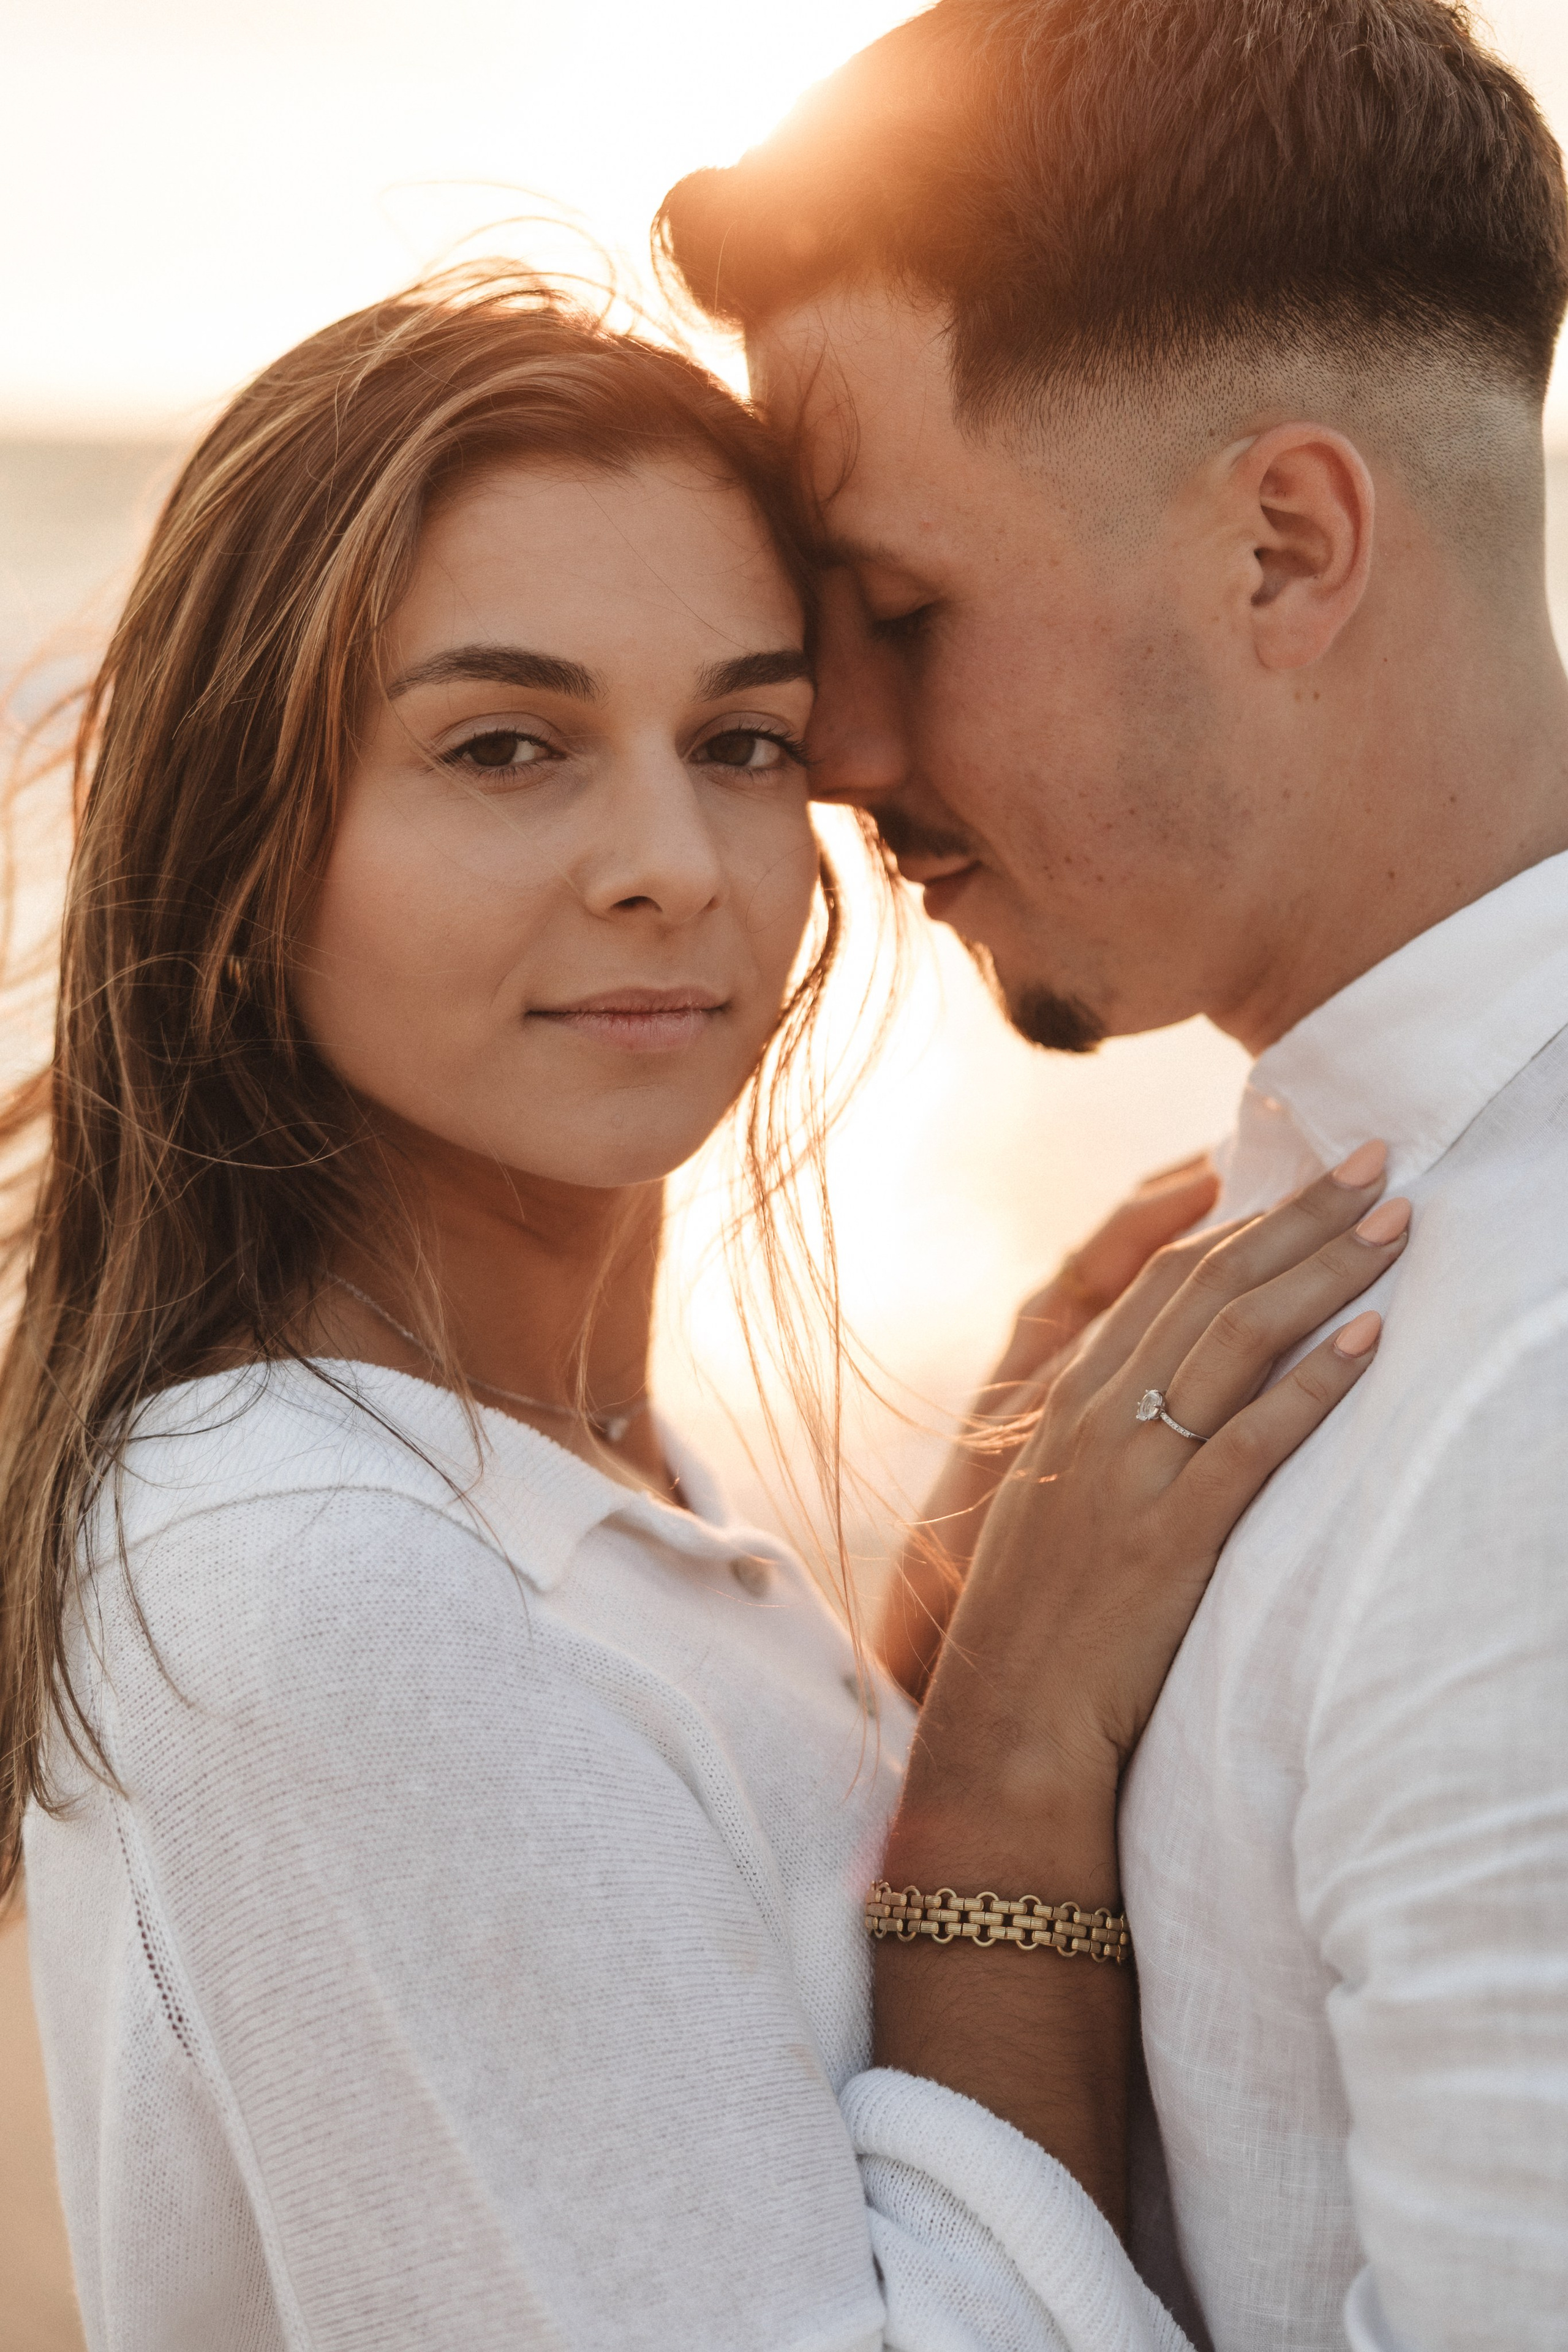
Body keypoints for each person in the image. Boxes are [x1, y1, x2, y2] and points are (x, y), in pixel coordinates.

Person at [1, 273, 1396, 2349]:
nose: (674, 863)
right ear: (244, 840)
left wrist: (928, 1633)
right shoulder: (328, 1577)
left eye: (743, 742)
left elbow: (719, 2056)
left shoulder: (544, 1471)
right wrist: (1010, 1747)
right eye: (505, 746)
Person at [656, 1, 1568, 2345]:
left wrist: (999, 1789)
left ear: (1285, 545)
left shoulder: (1529, 1403)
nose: (834, 747)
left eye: (903, 611)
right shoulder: (1328, 1223)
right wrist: (945, 1675)